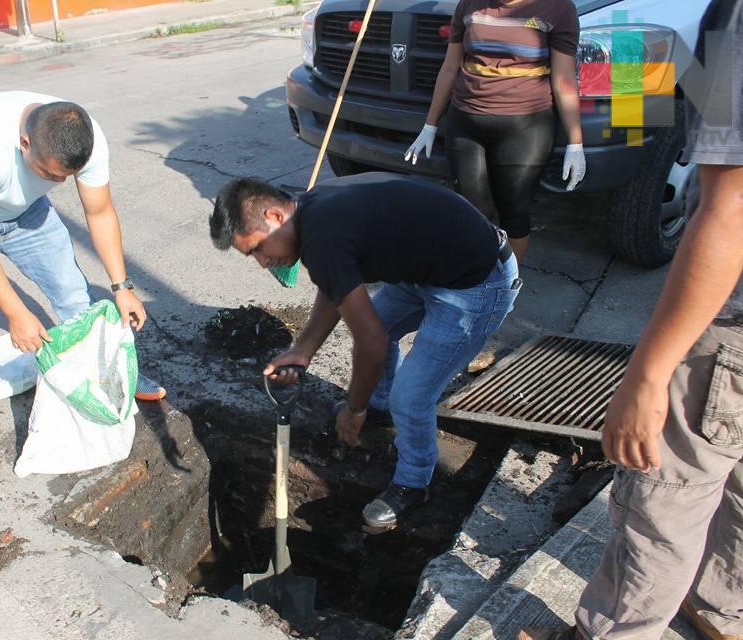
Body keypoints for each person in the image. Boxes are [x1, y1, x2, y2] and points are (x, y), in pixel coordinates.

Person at [520, 1, 743, 638]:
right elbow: (699, 96)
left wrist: (647, 376)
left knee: (662, 499)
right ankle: (723, 606)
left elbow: (730, 212)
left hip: (733, 324)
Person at [209, 172, 522, 527]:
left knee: (412, 396)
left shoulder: (322, 234)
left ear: (275, 217)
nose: (263, 263)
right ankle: (380, 403)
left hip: (476, 284)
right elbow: (335, 283)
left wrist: (353, 409)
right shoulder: (311, 210)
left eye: (258, 249)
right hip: (428, 271)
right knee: (384, 336)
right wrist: (304, 350)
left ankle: (414, 481)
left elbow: (370, 344)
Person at [0, 91, 166, 498]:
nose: (60, 183)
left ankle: (113, 380)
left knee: (75, 298)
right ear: (25, 143)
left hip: (27, 213)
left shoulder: (86, 137)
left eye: (66, 177)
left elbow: (99, 212)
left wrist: (122, 287)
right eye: (51, 175)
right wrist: (15, 312)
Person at [405, 0, 585, 261]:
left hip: (526, 126)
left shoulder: (558, 8)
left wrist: (575, 143)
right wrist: (430, 125)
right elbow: (449, 67)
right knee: (470, 211)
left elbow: (564, 81)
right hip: (465, 122)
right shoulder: (469, 5)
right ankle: (477, 286)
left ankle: (506, 292)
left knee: (514, 212)